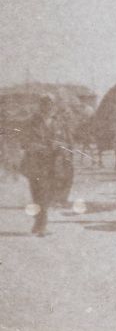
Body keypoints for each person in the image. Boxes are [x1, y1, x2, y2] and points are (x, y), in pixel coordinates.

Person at [20, 94, 57, 236]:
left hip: (53, 164)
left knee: (47, 194)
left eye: (51, 104)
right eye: (45, 104)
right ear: (41, 106)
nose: (48, 107)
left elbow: (66, 140)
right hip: (36, 164)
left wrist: (59, 145)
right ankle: (41, 226)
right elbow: (25, 142)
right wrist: (40, 147)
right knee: (39, 194)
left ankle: (38, 224)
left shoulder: (57, 122)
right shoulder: (31, 122)